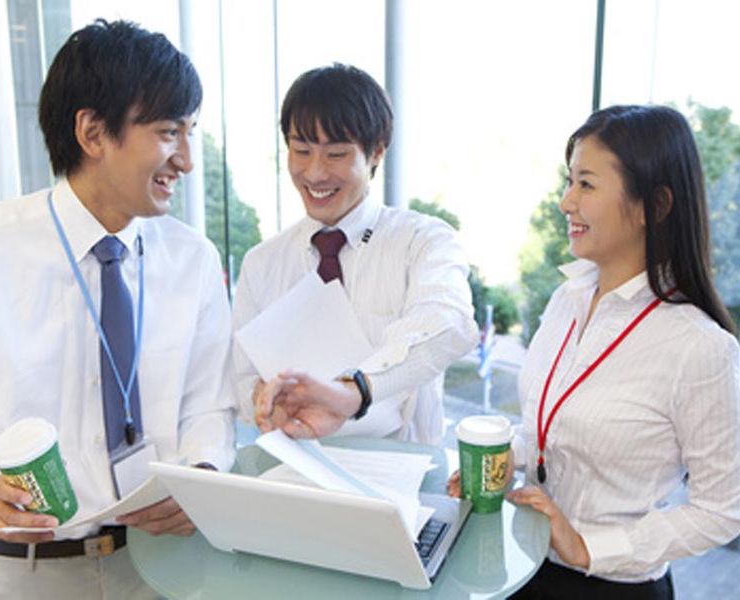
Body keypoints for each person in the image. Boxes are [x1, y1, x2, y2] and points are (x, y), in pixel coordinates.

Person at [0, 20, 234, 599]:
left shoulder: (193, 260)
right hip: (19, 574)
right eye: (169, 132)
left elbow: (210, 405)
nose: (186, 160)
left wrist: (202, 472)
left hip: (158, 565)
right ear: (93, 132)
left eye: (190, 133)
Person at [450, 105, 740, 599]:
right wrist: (500, 461)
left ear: (653, 205)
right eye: (569, 182)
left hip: (612, 588)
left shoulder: (699, 346)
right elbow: (551, 431)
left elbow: (722, 509)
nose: (566, 202)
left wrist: (589, 547)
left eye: (586, 184)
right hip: (525, 562)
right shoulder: (567, 300)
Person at [231, 63, 477, 445]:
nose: (314, 173)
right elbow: (242, 379)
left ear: (376, 152)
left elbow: (449, 323)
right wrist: (263, 399)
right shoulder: (262, 263)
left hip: (402, 468)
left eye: (336, 154)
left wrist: (352, 391)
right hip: (297, 465)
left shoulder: (422, 241)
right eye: (301, 150)